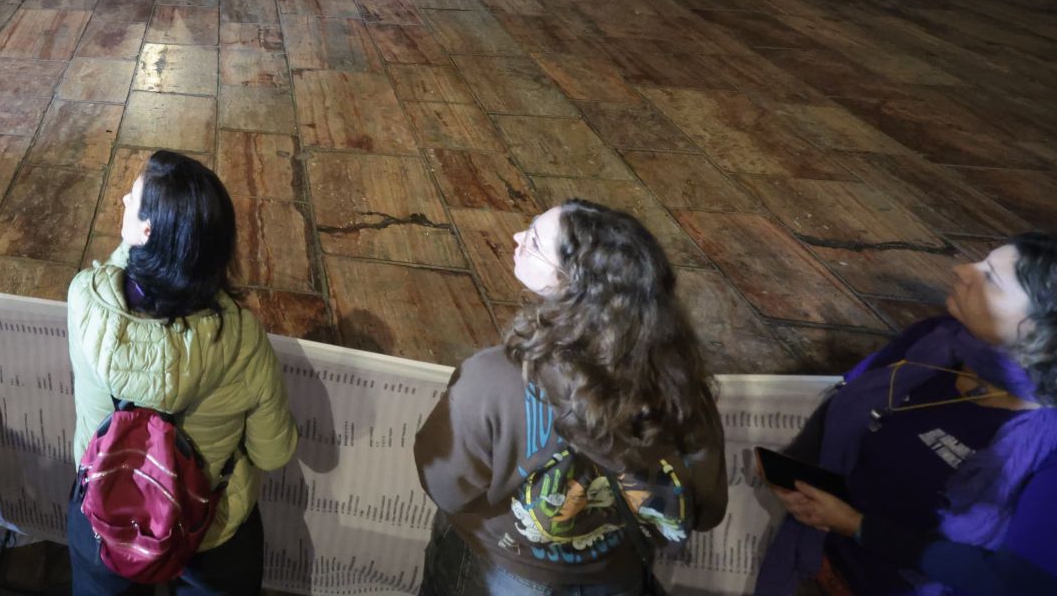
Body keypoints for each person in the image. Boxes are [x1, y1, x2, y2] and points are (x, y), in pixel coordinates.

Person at [416, 200, 727, 596]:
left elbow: (446, 487)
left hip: (501, 574)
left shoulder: (492, 378)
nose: (516, 238)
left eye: (532, 241)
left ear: (571, 282)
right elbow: (705, 510)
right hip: (616, 578)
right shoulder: (683, 391)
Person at [756, 234, 1057, 595]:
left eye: (991, 278)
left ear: (1042, 331)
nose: (961, 270)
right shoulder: (935, 341)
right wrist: (795, 474)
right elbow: (846, 405)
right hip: (812, 561)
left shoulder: (1045, 445)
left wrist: (856, 526)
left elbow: (1017, 583)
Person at [66, 151, 298, 595]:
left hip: (105, 515)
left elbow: (120, 278)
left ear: (147, 232)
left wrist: (140, 247)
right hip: (209, 528)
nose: (121, 199)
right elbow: (274, 453)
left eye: (131, 199)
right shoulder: (242, 338)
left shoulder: (84, 302)